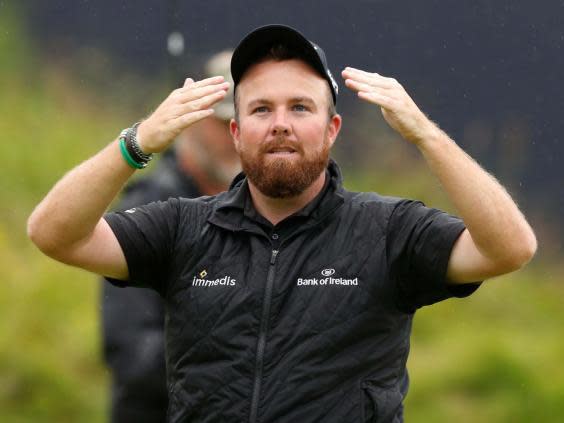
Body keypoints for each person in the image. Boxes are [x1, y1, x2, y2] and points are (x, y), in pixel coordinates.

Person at [28, 24, 537, 422]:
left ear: (332, 127)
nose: (280, 124)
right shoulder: (183, 227)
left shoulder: (388, 230)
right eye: (260, 109)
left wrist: (427, 136)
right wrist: (138, 143)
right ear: (237, 129)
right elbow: (52, 233)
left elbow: (509, 248)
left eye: (300, 107)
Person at [100, 51, 239, 423]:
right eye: (222, 121)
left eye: (244, 122)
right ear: (191, 122)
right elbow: (133, 355)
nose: (233, 136)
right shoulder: (151, 204)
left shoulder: (258, 210)